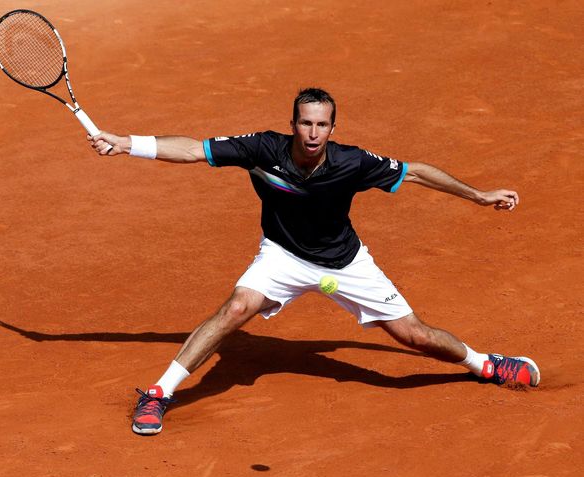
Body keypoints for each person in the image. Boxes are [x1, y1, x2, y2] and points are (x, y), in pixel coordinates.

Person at [88, 88, 539, 436]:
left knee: (414, 335)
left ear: (332, 127)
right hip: (283, 256)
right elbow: (192, 149)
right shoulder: (263, 149)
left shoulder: (353, 162)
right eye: (305, 123)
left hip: (344, 264)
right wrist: (126, 143)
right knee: (236, 308)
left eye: (321, 125)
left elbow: (416, 171)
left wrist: (478, 195)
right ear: (293, 124)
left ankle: (486, 365)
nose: (312, 133)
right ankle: (159, 392)